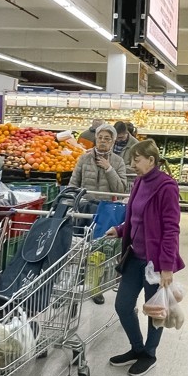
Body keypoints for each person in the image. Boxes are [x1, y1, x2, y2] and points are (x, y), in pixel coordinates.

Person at [104, 138, 184, 376]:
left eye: (136, 160)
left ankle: (149, 353)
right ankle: (137, 348)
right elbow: (135, 216)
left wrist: (167, 266)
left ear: (151, 160)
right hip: (134, 257)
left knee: (154, 310)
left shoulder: (166, 187)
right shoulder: (139, 182)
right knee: (123, 305)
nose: (132, 165)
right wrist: (119, 230)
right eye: (131, 160)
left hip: (155, 262)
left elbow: (171, 228)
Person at [69, 124, 130, 304]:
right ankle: (75, 285)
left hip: (105, 210)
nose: (103, 141)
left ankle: (95, 288)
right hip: (84, 208)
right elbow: (74, 183)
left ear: (113, 141)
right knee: (79, 247)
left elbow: (120, 188)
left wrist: (108, 168)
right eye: (100, 137)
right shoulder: (84, 158)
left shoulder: (118, 162)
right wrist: (72, 203)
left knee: (99, 250)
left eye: (107, 138)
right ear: (96, 139)